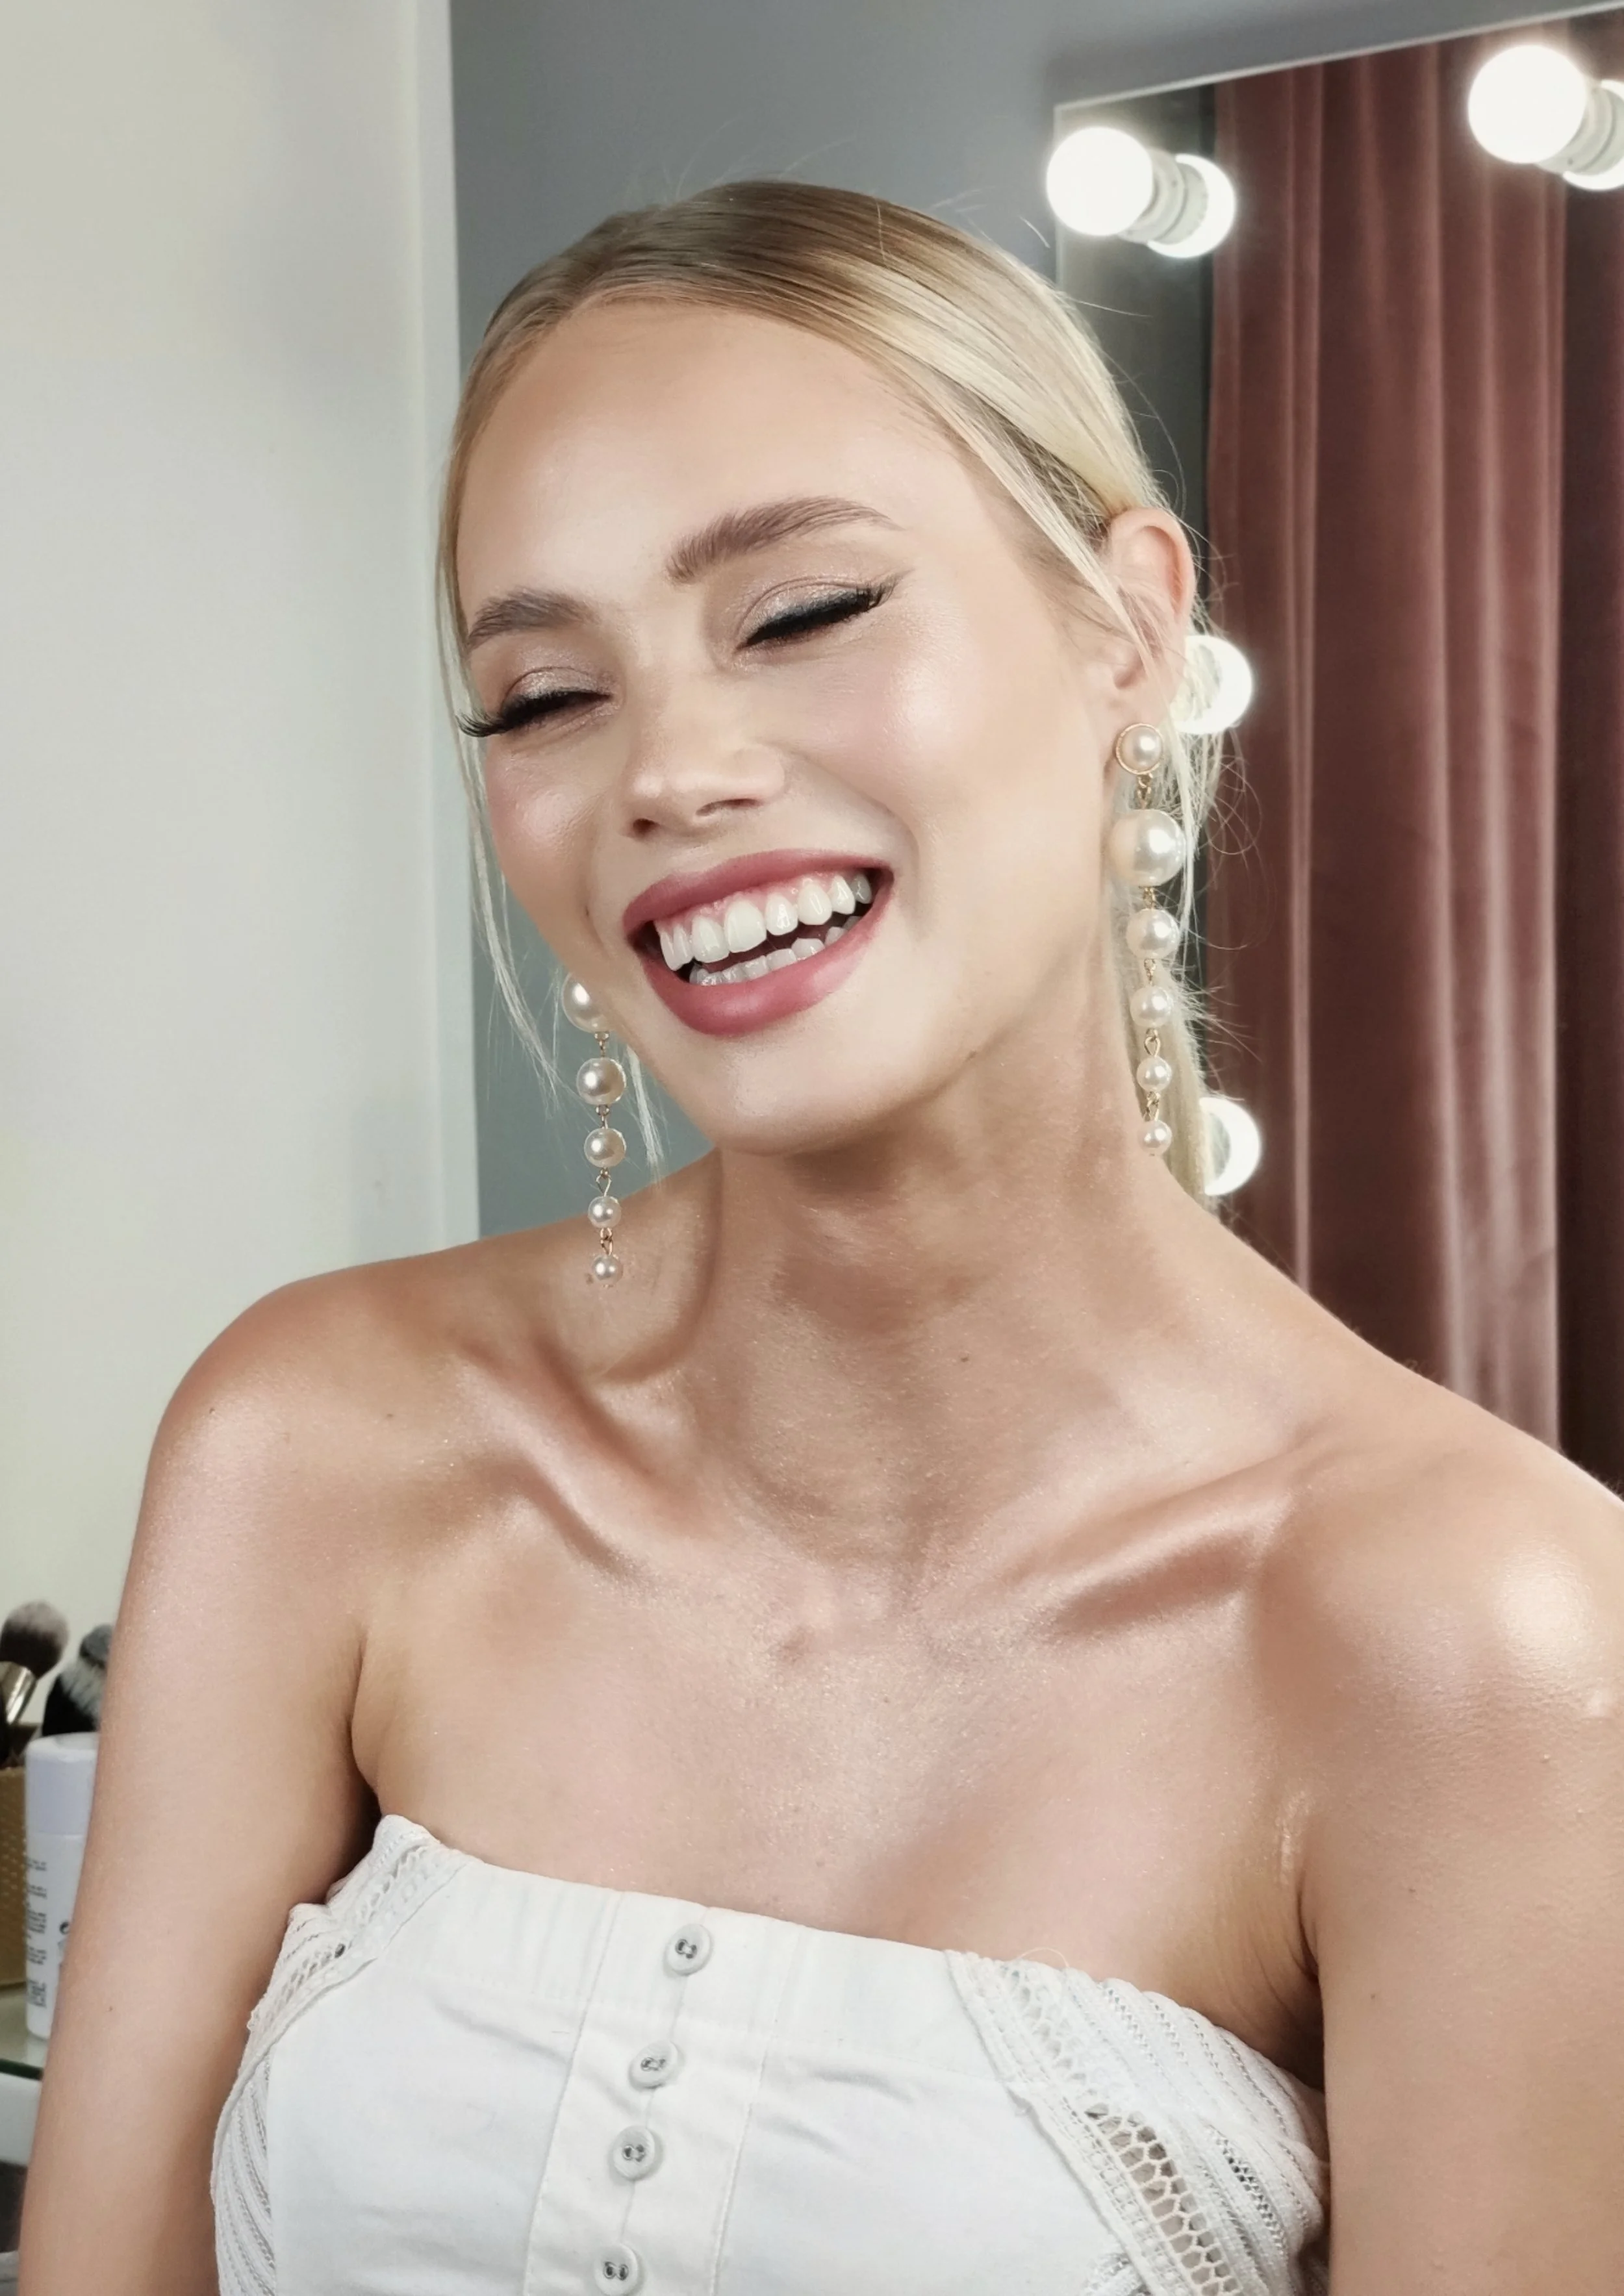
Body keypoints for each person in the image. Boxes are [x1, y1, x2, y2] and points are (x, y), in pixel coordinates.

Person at [22, 182, 1624, 2296]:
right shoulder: (315, 1441)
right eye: (543, 696)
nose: (672, 770)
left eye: (799, 613)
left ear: (1128, 629)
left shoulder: (1470, 1630)